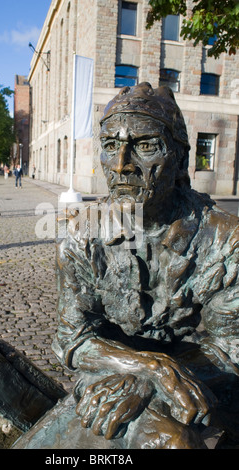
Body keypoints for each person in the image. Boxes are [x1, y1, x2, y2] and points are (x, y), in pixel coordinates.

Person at [41, 82, 238, 449]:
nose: (121, 166)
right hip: (110, 374)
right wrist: (148, 368)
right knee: (173, 443)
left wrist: (155, 378)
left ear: (180, 158)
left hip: (203, 370)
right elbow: (74, 340)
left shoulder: (225, 238)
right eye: (111, 147)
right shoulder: (81, 235)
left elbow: (229, 346)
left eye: (145, 146)